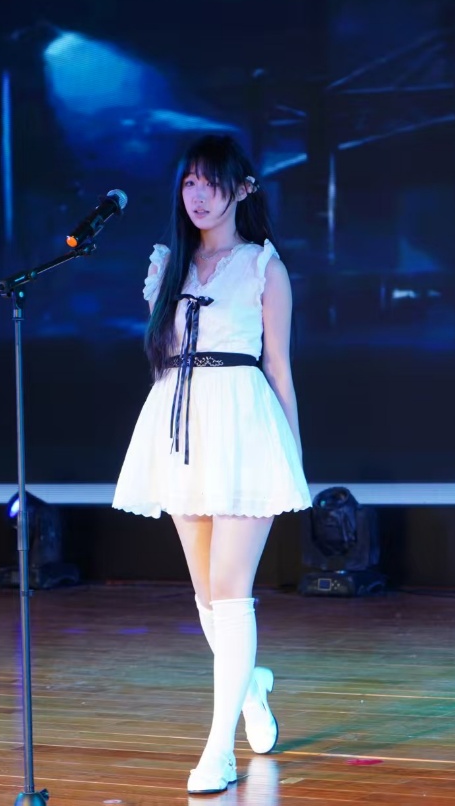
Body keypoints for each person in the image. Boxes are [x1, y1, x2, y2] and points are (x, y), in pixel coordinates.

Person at [112, 134, 311, 794]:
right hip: (179, 424)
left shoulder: (263, 266)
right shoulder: (167, 264)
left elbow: (279, 368)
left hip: (243, 426)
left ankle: (218, 750)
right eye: (188, 182)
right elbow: (160, 355)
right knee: (205, 596)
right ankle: (250, 687)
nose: (196, 195)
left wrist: (291, 453)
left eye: (210, 182)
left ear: (243, 189)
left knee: (230, 592)